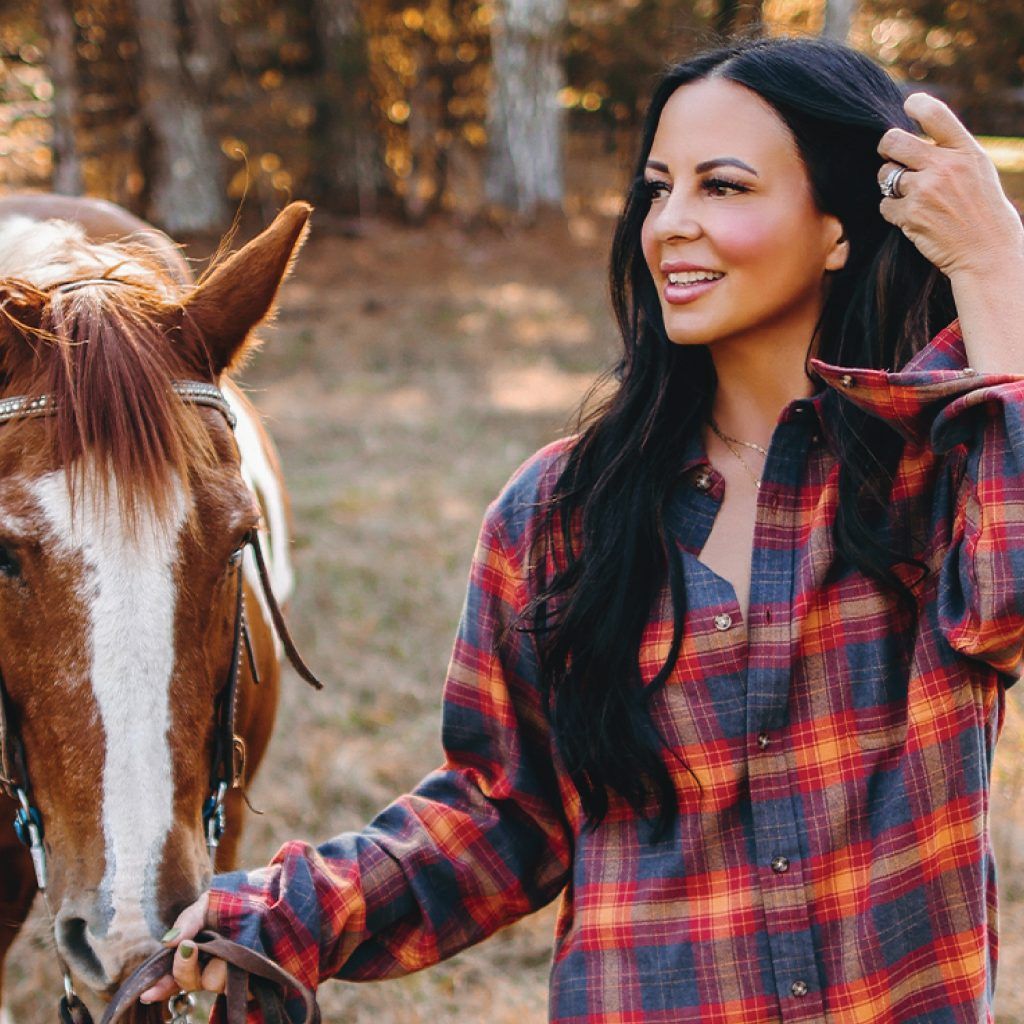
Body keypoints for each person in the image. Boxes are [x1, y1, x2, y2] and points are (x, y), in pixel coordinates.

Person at [141, 33, 1024, 1024]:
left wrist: (992, 263)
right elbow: (504, 813)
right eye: (658, 188)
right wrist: (282, 918)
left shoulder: (936, 466)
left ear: (837, 231)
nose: (671, 225)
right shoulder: (556, 513)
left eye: (723, 187)